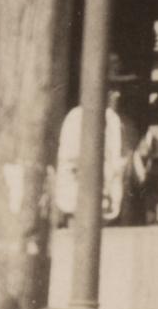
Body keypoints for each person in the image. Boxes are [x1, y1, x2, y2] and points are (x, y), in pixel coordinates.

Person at [55, 90, 132, 225]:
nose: (116, 96)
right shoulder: (76, 117)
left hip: (105, 198)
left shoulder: (114, 120)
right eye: (111, 91)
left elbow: (119, 162)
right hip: (77, 195)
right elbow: (68, 160)